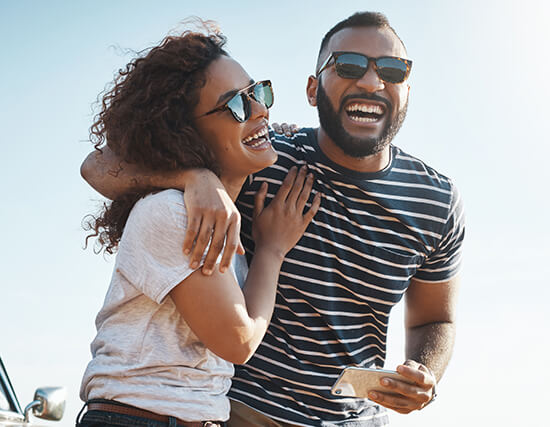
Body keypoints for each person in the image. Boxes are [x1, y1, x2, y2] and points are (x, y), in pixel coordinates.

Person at [81, 11, 465, 427]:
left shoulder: (437, 202)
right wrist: (194, 177)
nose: (372, 82)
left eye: (391, 69)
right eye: (349, 66)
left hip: (354, 419)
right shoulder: (257, 156)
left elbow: (436, 319)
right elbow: (99, 166)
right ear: (313, 89)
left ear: (407, 88)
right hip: (236, 413)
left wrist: (425, 374)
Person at [77, 22, 320, 427]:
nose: (260, 109)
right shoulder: (173, 214)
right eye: (238, 105)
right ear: (187, 131)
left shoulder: (213, 211)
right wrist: (273, 251)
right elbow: (238, 341)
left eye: (258, 92)